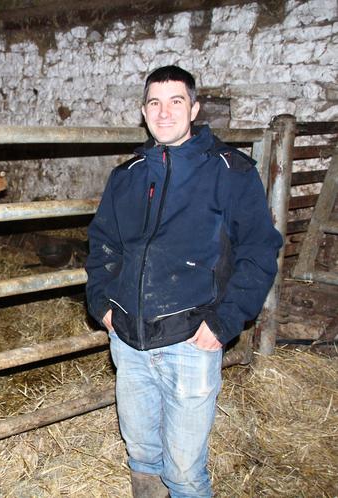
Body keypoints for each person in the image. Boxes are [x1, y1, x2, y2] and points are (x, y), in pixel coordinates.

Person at [85, 65, 282, 497]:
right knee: (141, 454)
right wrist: (102, 305)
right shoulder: (128, 176)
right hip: (130, 340)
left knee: (185, 472)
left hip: (190, 340)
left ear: (193, 108)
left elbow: (259, 250)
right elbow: (103, 245)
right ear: (143, 111)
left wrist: (224, 321)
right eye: (155, 102)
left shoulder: (230, 172)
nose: (165, 111)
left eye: (176, 101)